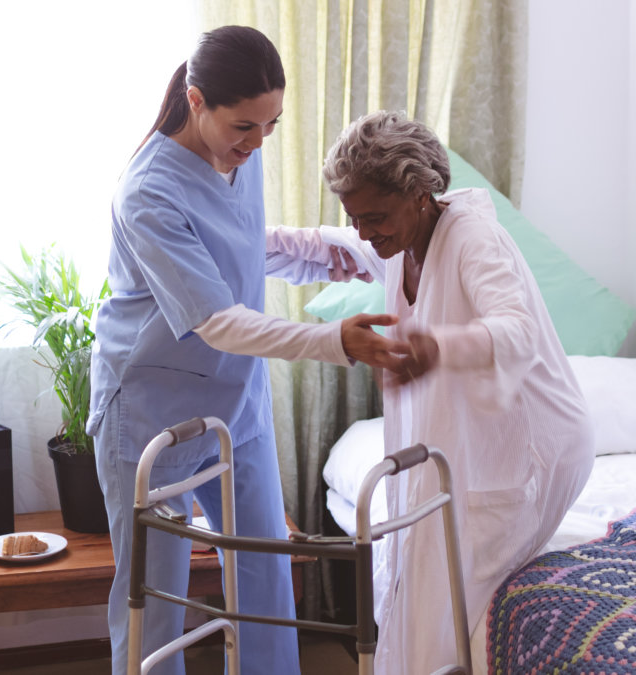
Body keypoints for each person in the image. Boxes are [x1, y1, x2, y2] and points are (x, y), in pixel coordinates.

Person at [89, 26, 408, 675]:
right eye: (245, 126)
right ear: (196, 99)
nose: (258, 142)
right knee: (155, 602)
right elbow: (217, 319)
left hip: (237, 400)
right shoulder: (147, 191)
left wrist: (322, 250)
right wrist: (333, 341)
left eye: (271, 125)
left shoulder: (239, 148)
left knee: (265, 574)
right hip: (153, 412)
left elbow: (236, 244)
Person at [264, 110, 595, 673]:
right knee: (412, 572)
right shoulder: (399, 241)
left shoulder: (473, 239)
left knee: (442, 596)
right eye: (356, 217)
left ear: (420, 193)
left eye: (375, 217)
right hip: (480, 442)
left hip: (539, 449)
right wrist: (222, 235)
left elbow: (517, 332)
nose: (366, 232)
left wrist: (434, 348)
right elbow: (322, 248)